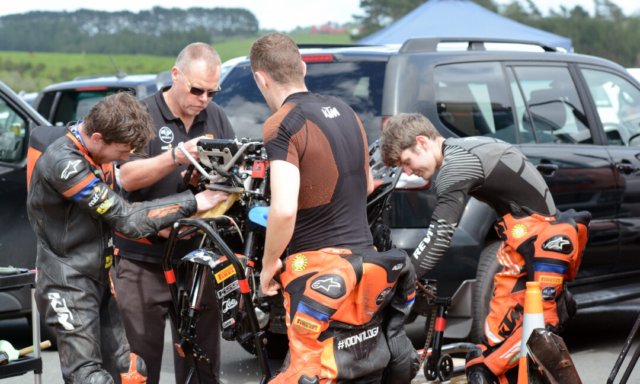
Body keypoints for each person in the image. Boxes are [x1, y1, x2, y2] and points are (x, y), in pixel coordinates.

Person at [251, 32, 417, 384]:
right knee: (362, 370)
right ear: (303, 68)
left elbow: (282, 209)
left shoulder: (281, 124)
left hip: (316, 273)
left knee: (311, 372)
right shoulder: (346, 110)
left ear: (260, 78)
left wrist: (268, 266)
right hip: (365, 264)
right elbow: (369, 184)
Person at [26, 92, 223, 384]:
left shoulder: (93, 145)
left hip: (99, 276)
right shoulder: (63, 163)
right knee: (89, 377)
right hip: (66, 283)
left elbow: (122, 211)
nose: (126, 158)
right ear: (97, 137)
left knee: (131, 370)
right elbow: (127, 219)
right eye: (122, 150)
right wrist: (194, 202)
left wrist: (183, 193)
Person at [379, 113, 591, 384]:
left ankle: (554, 311)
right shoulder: (467, 146)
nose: (407, 172)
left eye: (406, 162)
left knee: (499, 358)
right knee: (492, 343)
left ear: (422, 143)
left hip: (543, 242)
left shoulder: (455, 166)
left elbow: (439, 237)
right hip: (526, 241)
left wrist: (402, 277)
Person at [114, 43, 234, 384]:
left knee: (203, 366)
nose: (204, 98)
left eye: (213, 91)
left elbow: (229, 180)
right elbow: (126, 176)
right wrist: (176, 157)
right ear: (175, 75)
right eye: (197, 89)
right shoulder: (141, 113)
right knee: (140, 366)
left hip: (198, 259)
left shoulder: (217, 116)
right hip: (143, 259)